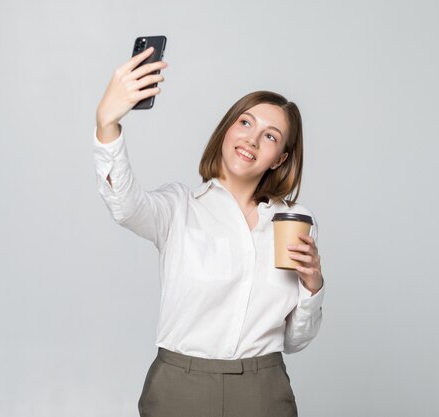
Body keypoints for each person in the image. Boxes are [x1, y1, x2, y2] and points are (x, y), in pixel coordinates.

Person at [93, 47, 325, 417]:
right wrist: (107, 125)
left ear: (280, 158)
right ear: (228, 129)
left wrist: (312, 286)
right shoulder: (179, 206)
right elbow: (125, 205)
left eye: (270, 136)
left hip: (263, 388)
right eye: (245, 123)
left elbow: (295, 340)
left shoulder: (293, 222)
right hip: (179, 387)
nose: (251, 138)